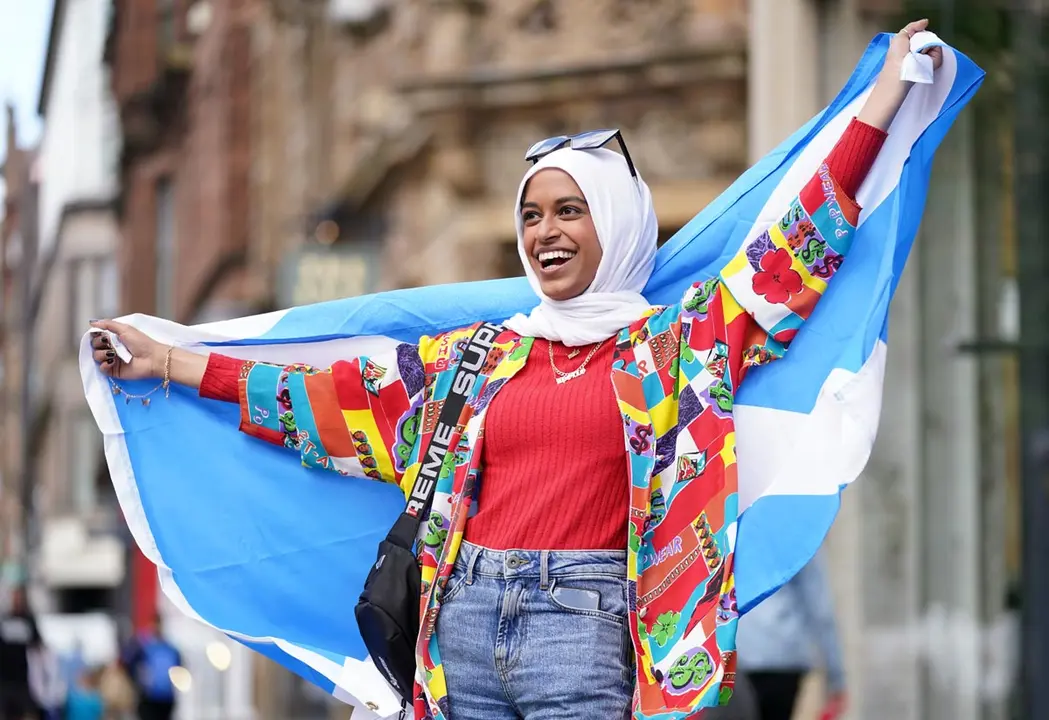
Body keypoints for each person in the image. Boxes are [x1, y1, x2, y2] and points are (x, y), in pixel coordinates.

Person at [90, 21, 943, 720]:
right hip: (458, 631)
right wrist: (170, 361)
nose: (544, 232)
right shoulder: (477, 358)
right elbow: (316, 402)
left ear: (618, 222)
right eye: (531, 214)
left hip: (591, 638)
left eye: (569, 209)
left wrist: (880, 101)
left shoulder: (680, 347)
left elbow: (795, 249)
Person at [736, 553, 846, 720]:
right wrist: (836, 676)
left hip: (738, 654)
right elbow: (820, 608)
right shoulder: (801, 533)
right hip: (784, 655)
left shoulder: (730, 530)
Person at [120, 617, 180, 720]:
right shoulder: (144, 646)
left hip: (166, 696)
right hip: (148, 695)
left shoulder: (170, 648)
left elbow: (179, 667)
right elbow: (128, 663)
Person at [0, 587, 43, 720]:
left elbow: (38, 645)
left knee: (26, 712)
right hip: (4, 678)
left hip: (23, 678)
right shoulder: (4, 620)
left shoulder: (28, 620)